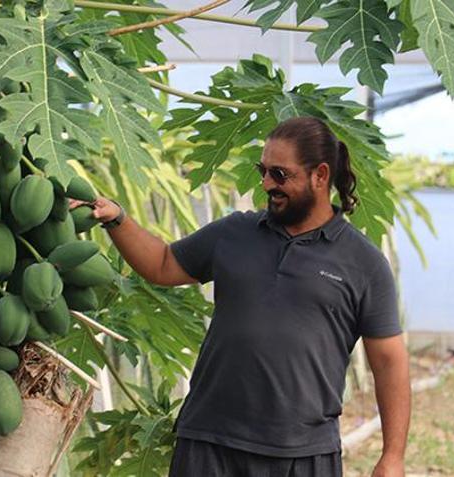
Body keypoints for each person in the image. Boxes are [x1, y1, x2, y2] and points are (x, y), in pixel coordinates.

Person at [69, 116, 410, 477]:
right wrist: (117, 218)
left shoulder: (363, 263)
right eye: (262, 170)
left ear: (320, 175)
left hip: (303, 454)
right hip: (209, 442)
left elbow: (389, 362)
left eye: (280, 174)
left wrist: (393, 456)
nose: (266, 183)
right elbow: (163, 264)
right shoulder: (235, 232)